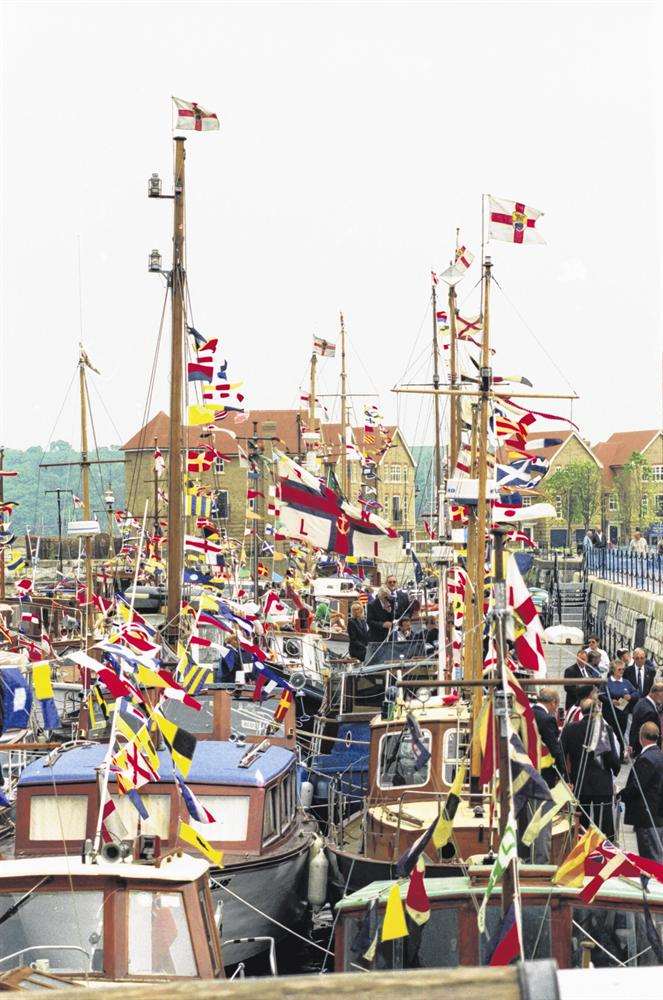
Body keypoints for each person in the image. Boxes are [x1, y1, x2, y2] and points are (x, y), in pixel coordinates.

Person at [561, 698, 621, 840]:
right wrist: (615, 770)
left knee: (580, 825)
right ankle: (605, 851)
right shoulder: (605, 729)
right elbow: (612, 757)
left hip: (579, 782)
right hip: (601, 783)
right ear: (597, 711)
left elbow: (562, 754)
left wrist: (567, 777)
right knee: (604, 826)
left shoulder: (570, 729)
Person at [527, 689, 566, 863]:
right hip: (543, 777)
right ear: (553, 703)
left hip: (524, 776)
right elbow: (556, 749)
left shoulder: (525, 714)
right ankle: (540, 861)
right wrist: (565, 774)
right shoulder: (547, 719)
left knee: (529, 820)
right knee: (543, 822)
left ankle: (529, 857)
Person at [619, 721, 663, 863]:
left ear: (641, 737)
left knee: (649, 858)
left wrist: (620, 794)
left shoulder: (646, 759)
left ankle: (653, 884)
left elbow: (636, 787)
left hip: (647, 816)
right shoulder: (659, 756)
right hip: (657, 815)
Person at [600, 659, 639, 758]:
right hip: (609, 713)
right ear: (613, 670)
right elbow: (600, 695)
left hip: (622, 714)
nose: (622, 671)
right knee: (609, 735)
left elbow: (636, 693)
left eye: (623, 669)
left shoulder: (626, 682)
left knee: (621, 734)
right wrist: (611, 701)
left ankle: (620, 756)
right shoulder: (607, 682)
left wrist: (630, 697)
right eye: (619, 669)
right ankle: (608, 756)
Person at [629, 682, 663, 757]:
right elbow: (649, 735)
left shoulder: (641, 702)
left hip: (638, 749)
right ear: (655, 693)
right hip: (647, 752)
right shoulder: (650, 712)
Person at [563, 648, 596, 713]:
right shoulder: (570, 670)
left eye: (583, 659)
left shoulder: (588, 670)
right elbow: (567, 688)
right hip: (575, 703)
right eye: (579, 659)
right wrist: (582, 695)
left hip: (588, 703)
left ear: (587, 660)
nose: (581, 661)